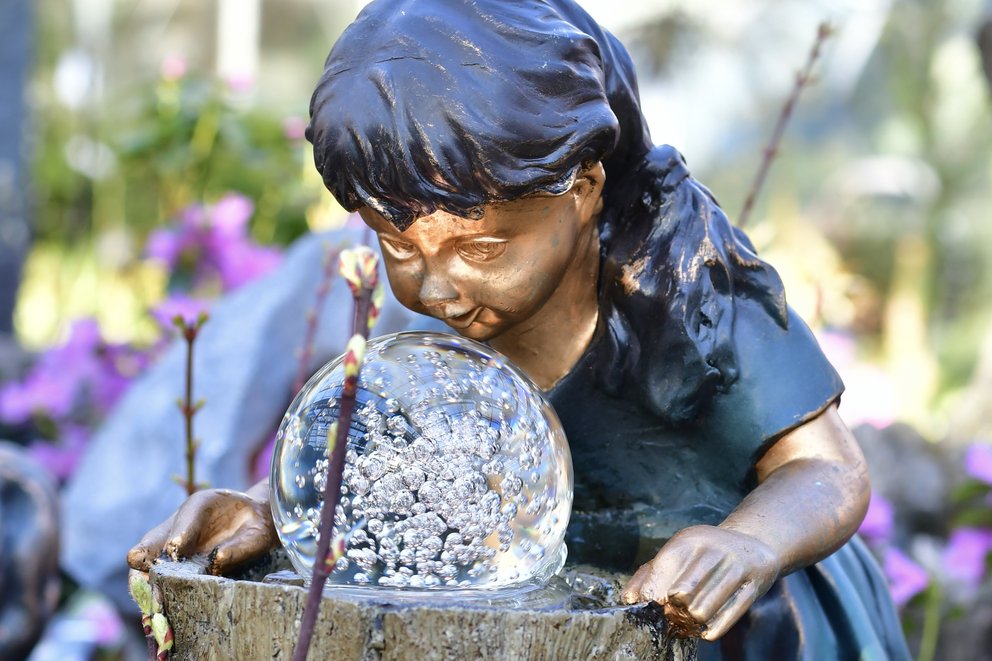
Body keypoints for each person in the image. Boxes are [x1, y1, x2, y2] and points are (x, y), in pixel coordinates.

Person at [129, 1, 910, 657]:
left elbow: (828, 468)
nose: (439, 287)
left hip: (741, 620)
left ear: (584, 187)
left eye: (482, 248)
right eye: (399, 247)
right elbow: (390, 466)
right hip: (568, 621)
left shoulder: (684, 289)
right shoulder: (449, 335)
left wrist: (751, 543)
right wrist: (276, 508)